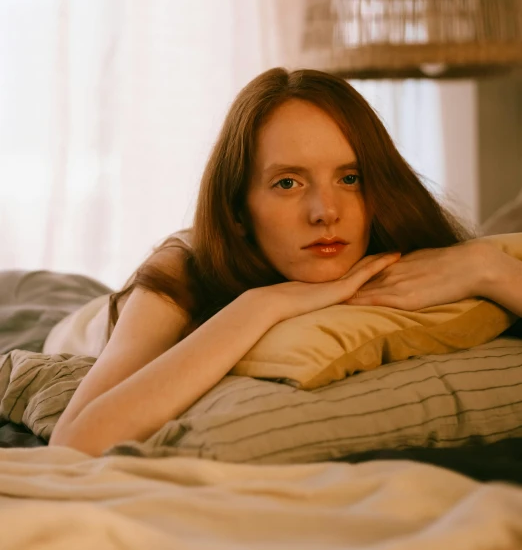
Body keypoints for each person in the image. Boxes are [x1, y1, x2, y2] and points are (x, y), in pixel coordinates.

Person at [49, 68, 522, 456]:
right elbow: (76, 443)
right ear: (237, 212)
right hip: (81, 324)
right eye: (288, 183)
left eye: (350, 177)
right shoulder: (183, 267)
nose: (326, 212)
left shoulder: (405, 249)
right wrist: (262, 305)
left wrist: (489, 268)